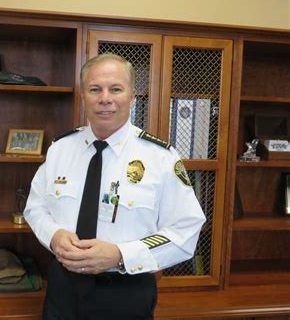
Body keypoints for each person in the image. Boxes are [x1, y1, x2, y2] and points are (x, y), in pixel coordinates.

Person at [24, 53, 206, 319]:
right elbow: (35, 207)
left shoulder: (161, 157)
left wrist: (121, 255)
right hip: (62, 290)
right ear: (84, 96)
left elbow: (186, 230)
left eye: (116, 89)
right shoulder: (60, 149)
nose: (105, 98)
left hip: (126, 292)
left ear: (132, 97)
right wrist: (54, 235)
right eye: (95, 89)